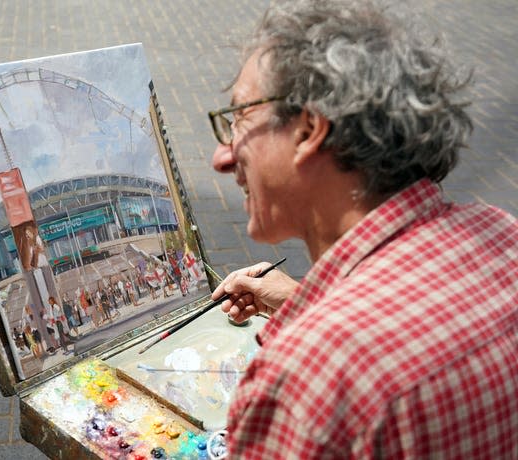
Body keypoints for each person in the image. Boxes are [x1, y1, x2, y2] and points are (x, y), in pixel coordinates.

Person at [208, 1, 518, 458]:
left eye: (239, 120)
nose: (222, 156)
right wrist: (303, 305)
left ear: (309, 129)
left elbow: (352, 373)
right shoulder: (500, 235)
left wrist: (315, 333)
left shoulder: (305, 383)